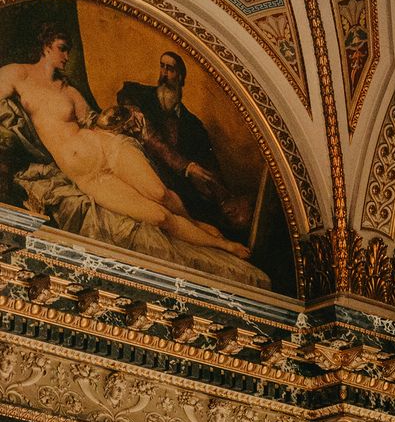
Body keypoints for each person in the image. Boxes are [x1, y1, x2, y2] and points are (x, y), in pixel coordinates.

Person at [0, 25, 251, 255]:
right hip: (90, 176)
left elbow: (93, 121)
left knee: (159, 193)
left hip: (108, 147)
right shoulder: (18, 74)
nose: (66, 57)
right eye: (62, 49)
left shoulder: (70, 91)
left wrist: (117, 117)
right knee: (158, 217)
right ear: (46, 46)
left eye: (69, 51)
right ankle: (221, 244)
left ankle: (202, 229)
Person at [116, 49, 245, 235]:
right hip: (136, 174)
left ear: (181, 77)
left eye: (171, 69)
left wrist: (224, 197)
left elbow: (209, 167)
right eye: (162, 67)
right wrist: (187, 167)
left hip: (170, 190)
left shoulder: (193, 125)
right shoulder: (137, 95)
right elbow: (150, 137)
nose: (165, 73)